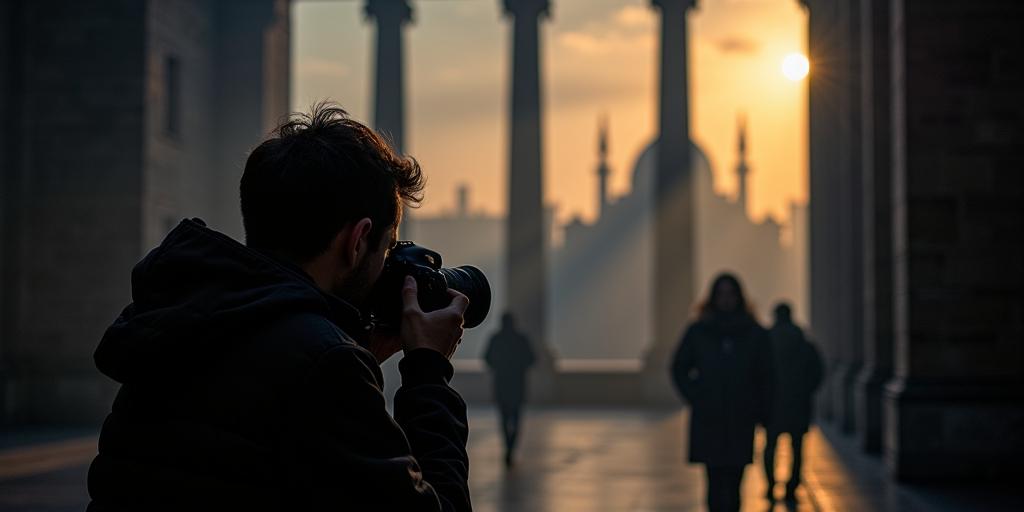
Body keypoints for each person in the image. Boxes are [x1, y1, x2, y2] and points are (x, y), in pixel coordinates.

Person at [87, 104, 472, 511]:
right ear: (357, 240)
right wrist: (427, 372)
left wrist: (350, 347)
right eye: (389, 246)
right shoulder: (325, 367)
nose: (389, 264)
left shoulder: (178, 321)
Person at [670, 273, 773, 512]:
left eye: (730, 294)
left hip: (740, 417)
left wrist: (762, 411)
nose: (726, 300)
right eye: (721, 295)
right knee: (714, 483)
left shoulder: (754, 334)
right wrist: (697, 395)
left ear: (739, 297)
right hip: (711, 418)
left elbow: (767, 377)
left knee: (735, 484)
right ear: (713, 298)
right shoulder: (699, 331)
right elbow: (679, 367)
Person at [763, 303, 823, 506]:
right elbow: (818, 372)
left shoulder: (766, 341)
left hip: (772, 405)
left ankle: (771, 485)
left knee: (770, 447)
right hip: (799, 404)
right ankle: (791, 487)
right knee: (797, 449)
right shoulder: (804, 343)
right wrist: (806, 391)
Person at [484, 312, 536, 468]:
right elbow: (532, 359)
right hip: (518, 384)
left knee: (504, 418)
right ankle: (511, 447)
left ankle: (508, 446)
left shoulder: (496, 339)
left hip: (501, 384)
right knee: (516, 418)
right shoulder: (521, 339)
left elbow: (487, 358)